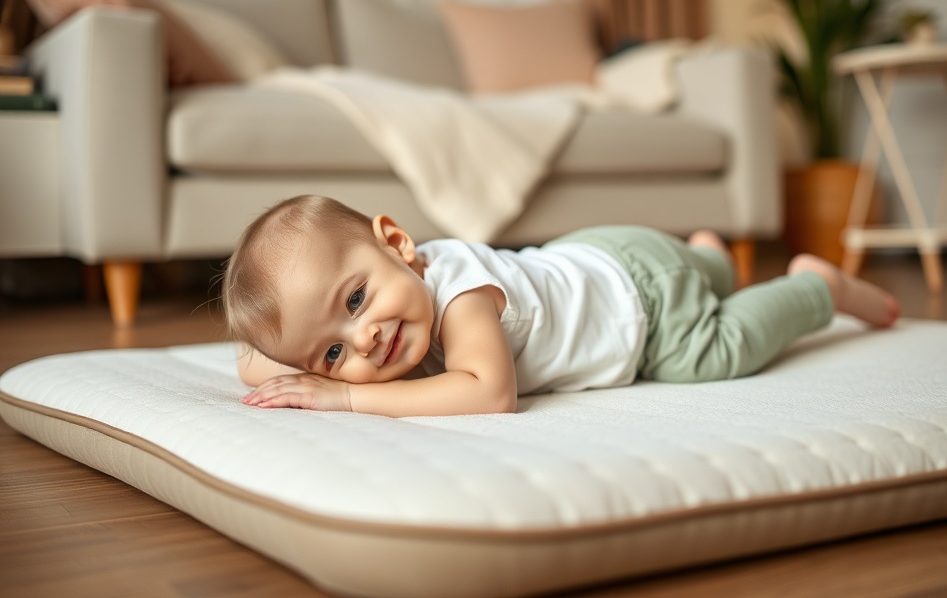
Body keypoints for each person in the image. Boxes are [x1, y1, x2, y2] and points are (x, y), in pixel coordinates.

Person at [225, 195, 900, 417]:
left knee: (711, 353)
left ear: (399, 245)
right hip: (594, 254)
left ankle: (817, 287)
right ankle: (711, 255)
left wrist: (342, 395)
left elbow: (489, 394)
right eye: (336, 351)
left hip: (648, 309)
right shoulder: (404, 289)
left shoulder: (461, 300)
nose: (365, 340)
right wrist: (290, 364)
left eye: (356, 299)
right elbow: (263, 359)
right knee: (699, 269)